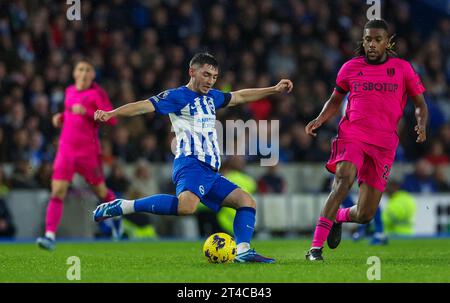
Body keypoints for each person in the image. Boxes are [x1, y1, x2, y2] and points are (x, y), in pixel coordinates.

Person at [93, 52, 293, 263]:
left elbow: (241, 96)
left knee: (246, 201)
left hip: (209, 171)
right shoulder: (177, 96)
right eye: (206, 75)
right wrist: (111, 113)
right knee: (187, 207)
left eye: (214, 76)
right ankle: (123, 206)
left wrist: (274, 89)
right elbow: (143, 106)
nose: (210, 80)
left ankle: (242, 251)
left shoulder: (212, 97)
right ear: (192, 72)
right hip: (191, 163)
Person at [304, 19, 428, 261]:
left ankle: (339, 217)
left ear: (387, 42)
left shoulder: (403, 69)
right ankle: (315, 248)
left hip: (384, 145)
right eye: (368, 39)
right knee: (343, 180)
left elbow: (420, 104)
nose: (371, 44)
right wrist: (320, 119)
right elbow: (335, 100)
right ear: (363, 40)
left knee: (365, 214)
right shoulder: (350, 68)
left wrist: (421, 124)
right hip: (353, 136)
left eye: (377, 39)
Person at [36, 59, 122, 251]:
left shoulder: (97, 94)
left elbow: (112, 120)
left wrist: (88, 112)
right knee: (57, 191)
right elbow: (70, 114)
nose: (83, 73)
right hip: (65, 150)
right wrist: (61, 118)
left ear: (93, 75)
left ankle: (117, 217)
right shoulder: (69, 91)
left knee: (101, 192)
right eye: (80, 69)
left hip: (88, 153)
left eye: (88, 70)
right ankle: (49, 236)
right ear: (75, 73)